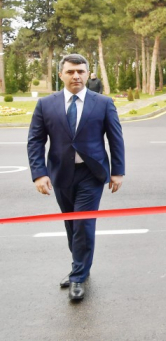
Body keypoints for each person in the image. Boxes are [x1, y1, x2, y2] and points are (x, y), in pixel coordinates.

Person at [27, 53, 125, 302]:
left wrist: (117, 171)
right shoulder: (45, 105)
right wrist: (39, 174)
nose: (76, 76)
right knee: (71, 225)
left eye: (80, 71)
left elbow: (115, 139)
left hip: (91, 174)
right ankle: (79, 267)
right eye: (70, 71)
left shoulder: (102, 102)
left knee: (83, 224)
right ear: (61, 74)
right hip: (61, 174)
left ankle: (79, 277)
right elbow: (35, 141)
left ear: (87, 74)